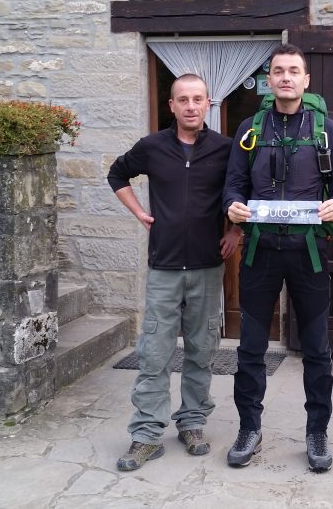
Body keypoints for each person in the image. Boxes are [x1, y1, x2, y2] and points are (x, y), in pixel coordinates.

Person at [222, 43, 333, 472]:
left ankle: (317, 432)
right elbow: (234, 183)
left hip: (309, 255)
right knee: (251, 349)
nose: (285, 78)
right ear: (268, 78)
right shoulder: (250, 128)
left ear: (305, 80)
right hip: (260, 252)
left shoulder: (325, 129)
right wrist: (232, 207)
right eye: (278, 70)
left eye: (293, 71)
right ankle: (249, 428)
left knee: (316, 349)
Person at [106, 74, 240, 472]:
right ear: (172, 106)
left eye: (198, 99)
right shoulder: (151, 147)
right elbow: (116, 174)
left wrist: (236, 230)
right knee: (154, 354)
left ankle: (193, 423)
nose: (191, 106)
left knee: (201, 350)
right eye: (183, 100)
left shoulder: (225, 149)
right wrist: (138, 212)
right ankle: (146, 435)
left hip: (207, 266)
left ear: (208, 104)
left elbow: (242, 189)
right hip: (164, 267)